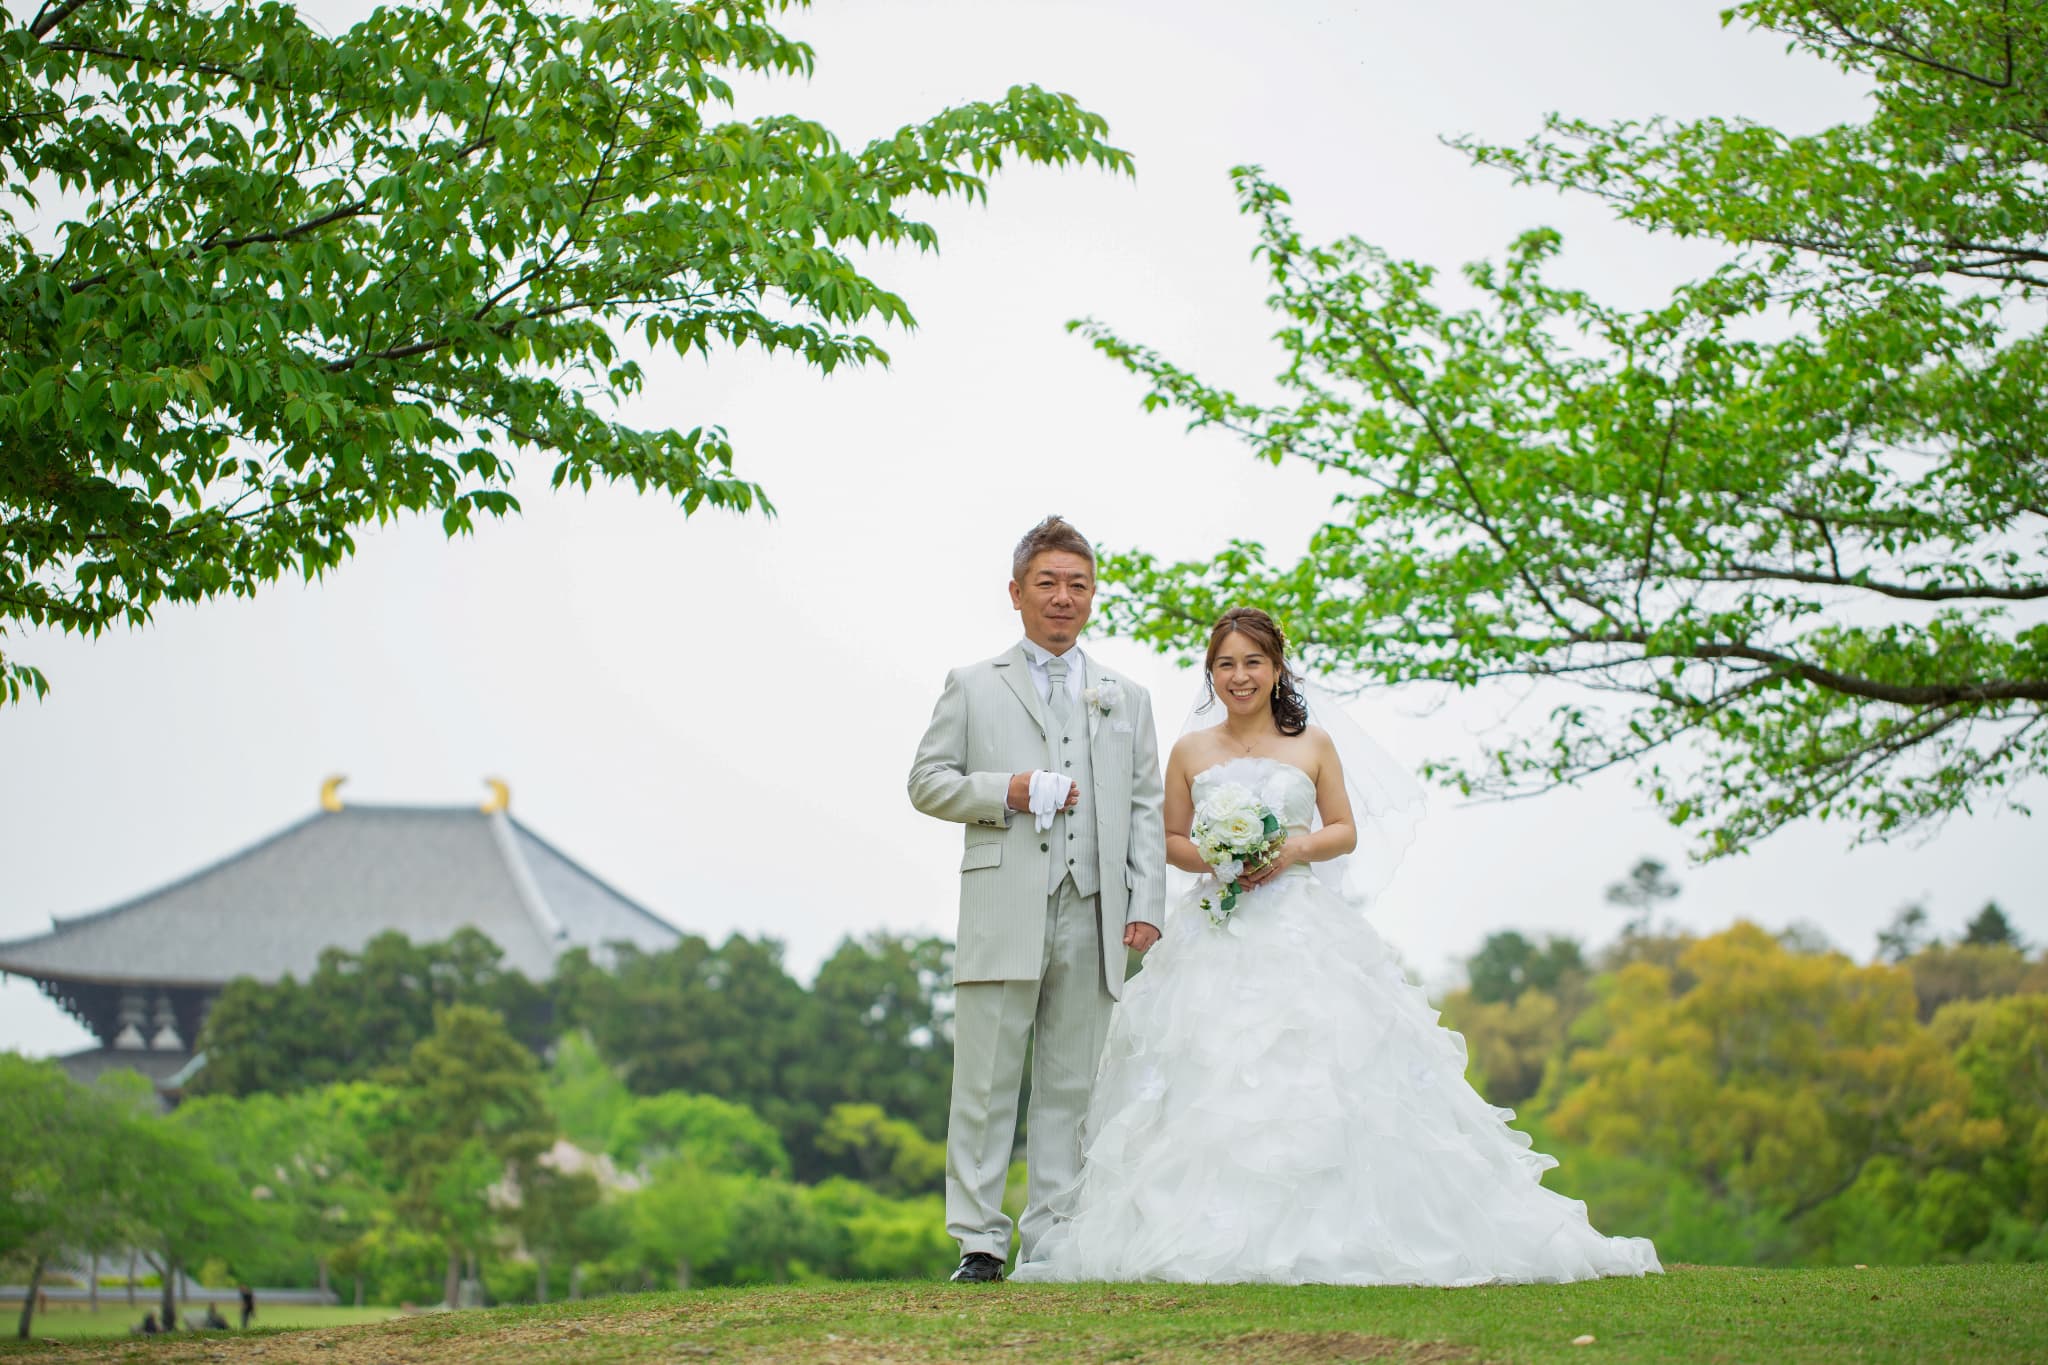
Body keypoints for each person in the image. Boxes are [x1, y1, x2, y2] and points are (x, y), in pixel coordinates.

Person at [1012, 607, 1661, 1285]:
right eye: (1227, 663)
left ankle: (1336, 1230)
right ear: (1211, 672)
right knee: (1209, 1069)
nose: (1240, 676)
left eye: (1253, 662)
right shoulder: (1190, 752)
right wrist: (1218, 854)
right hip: (1219, 925)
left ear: (1276, 668)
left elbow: (1344, 829)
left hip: (1301, 922)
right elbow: (1169, 840)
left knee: (1321, 1062)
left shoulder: (1312, 742)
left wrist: (1291, 846)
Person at [909, 515, 1167, 1282]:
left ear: (1093, 596)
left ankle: (1052, 1238)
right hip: (1003, 904)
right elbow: (926, 782)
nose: (1064, 598)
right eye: (1048, 583)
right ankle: (980, 1241)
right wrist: (1008, 790)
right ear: (1017, 592)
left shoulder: (1127, 695)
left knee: (1072, 1083)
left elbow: (1148, 805)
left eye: (1078, 585)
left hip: (1093, 906)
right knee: (985, 1082)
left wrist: (1145, 900)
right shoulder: (971, 684)